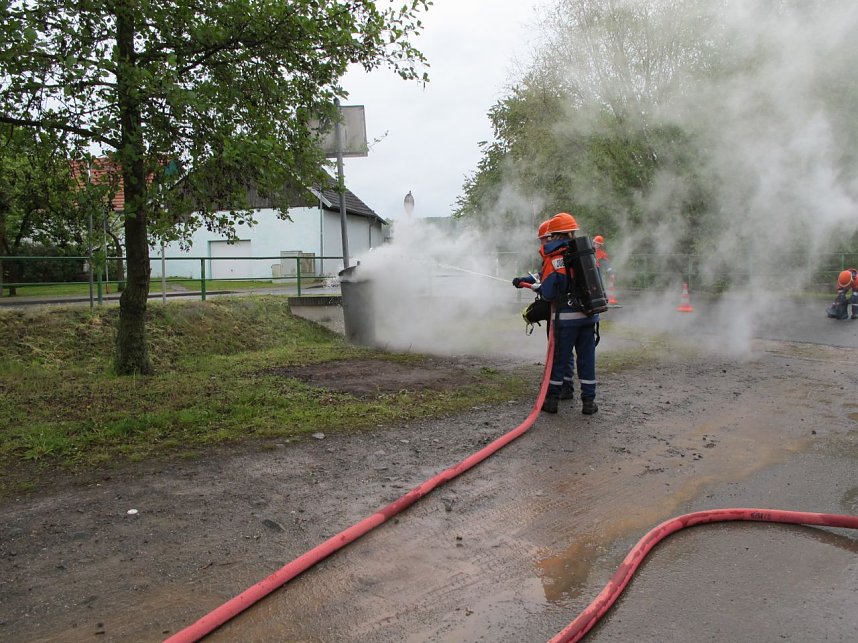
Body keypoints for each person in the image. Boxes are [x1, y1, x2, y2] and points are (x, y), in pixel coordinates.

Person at [533, 212, 599, 415]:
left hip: (566, 319)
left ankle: (552, 400)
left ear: (553, 235)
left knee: (559, 360)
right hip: (589, 315)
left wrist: (539, 287)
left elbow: (549, 292)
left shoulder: (554, 259)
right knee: (587, 359)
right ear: (572, 232)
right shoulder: (586, 254)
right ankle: (589, 402)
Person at [512, 218, 576, 401]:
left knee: (560, 348)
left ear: (549, 237)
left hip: (562, 309)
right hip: (562, 308)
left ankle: (564, 387)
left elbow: (550, 284)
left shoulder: (557, 255)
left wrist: (537, 287)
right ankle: (564, 385)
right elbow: (542, 275)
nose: (541, 243)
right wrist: (524, 280)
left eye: (542, 239)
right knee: (560, 348)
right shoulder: (558, 254)